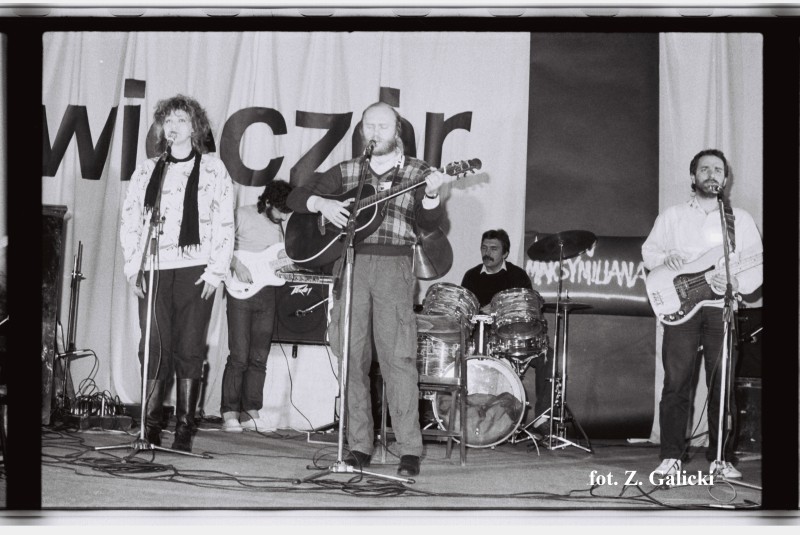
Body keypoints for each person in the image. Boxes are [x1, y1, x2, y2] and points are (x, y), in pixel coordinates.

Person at [286, 102, 448, 477]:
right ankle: (359, 445)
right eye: (369, 126)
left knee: (398, 359)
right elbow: (295, 197)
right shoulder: (347, 171)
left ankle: (409, 449)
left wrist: (432, 195)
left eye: (383, 126)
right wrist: (321, 204)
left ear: (397, 131)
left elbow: (430, 223)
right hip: (351, 264)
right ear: (362, 131)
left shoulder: (419, 172)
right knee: (351, 357)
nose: (375, 132)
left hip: (394, 267)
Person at [120, 95, 235, 452]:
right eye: (168, 121)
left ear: (195, 127)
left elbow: (224, 220)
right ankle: (150, 427)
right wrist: (132, 267)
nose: (173, 126)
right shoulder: (148, 169)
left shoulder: (214, 169)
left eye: (181, 120)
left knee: (189, 347)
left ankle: (185, 429)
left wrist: (215, 272)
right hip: (154, 268)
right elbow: (130, 220)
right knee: (153, 346)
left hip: (195, 269)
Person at [642, 149, 762, 479]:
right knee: (676, 383)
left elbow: (757, 266)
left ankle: (720, 458)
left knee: (722, 385)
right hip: (680, 309)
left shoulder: (740, 220)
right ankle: (670, 456)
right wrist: (666, 259)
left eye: (718, 170)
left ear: (725, 179)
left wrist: (735, 282)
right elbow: (649, 252)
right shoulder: (673, 216)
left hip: (720, 308)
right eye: (705, 169)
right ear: (693, 177)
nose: (712, 174)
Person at [461, 228, 553, 439]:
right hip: (484, 337)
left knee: (549, 356)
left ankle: (542, 418)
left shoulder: (517, 275)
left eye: (494, 248)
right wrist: (479, 312)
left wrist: (497, 310)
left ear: (505, 253)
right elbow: (465, 313)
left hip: (516, 338)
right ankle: (482, 421)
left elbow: (528, 311)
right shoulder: (471, 276)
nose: (487, 253)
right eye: (484, 248)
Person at [221, 180, 293, 433]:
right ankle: (229, 413)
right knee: (239, 355)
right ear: (268, 202)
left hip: (267, 292)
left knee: (259, 357)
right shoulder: (241, 214)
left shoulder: (281, 227)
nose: (284, 216)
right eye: (281, 211)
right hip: (240, 292)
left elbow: (277, 258)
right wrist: (236, 264)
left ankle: (251, 412)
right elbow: (220, 243)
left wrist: (288, 264)